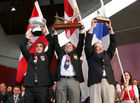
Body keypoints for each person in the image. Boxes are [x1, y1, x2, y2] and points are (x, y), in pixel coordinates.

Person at [20, 19, 55, 103]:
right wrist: (28, 36)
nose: (38, 47)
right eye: (37, 46)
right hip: (29, 87)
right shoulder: (30, 57)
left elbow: (52, 43)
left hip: (42, 87)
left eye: (40, 46)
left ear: (43, 48)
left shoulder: (47, 56)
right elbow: (22, 46)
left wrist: (46, 34)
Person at [85, 18, 117, 103]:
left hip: (108, 81)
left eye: (100, 46)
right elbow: (87, 44)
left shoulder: (108, 54)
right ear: (93, 49)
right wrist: (92, 26)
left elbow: (113, 44)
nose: (98, 48)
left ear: (103, 47)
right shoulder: (90, 55)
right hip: (95, 81)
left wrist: (110, 28)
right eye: (96, 47)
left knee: (109, 101)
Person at [53, 26, 85, 103]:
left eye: (70, 46)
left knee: (75, 100)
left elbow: (80, 43)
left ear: (73, 48)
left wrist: (81, 32)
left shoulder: (76, 53)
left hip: (73, 80)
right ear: (64, 48)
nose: (68, 47)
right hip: (61, 80)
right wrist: (55, 33)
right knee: (60, 101)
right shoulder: (61, 54)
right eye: (66, 46)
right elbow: (56, 44)